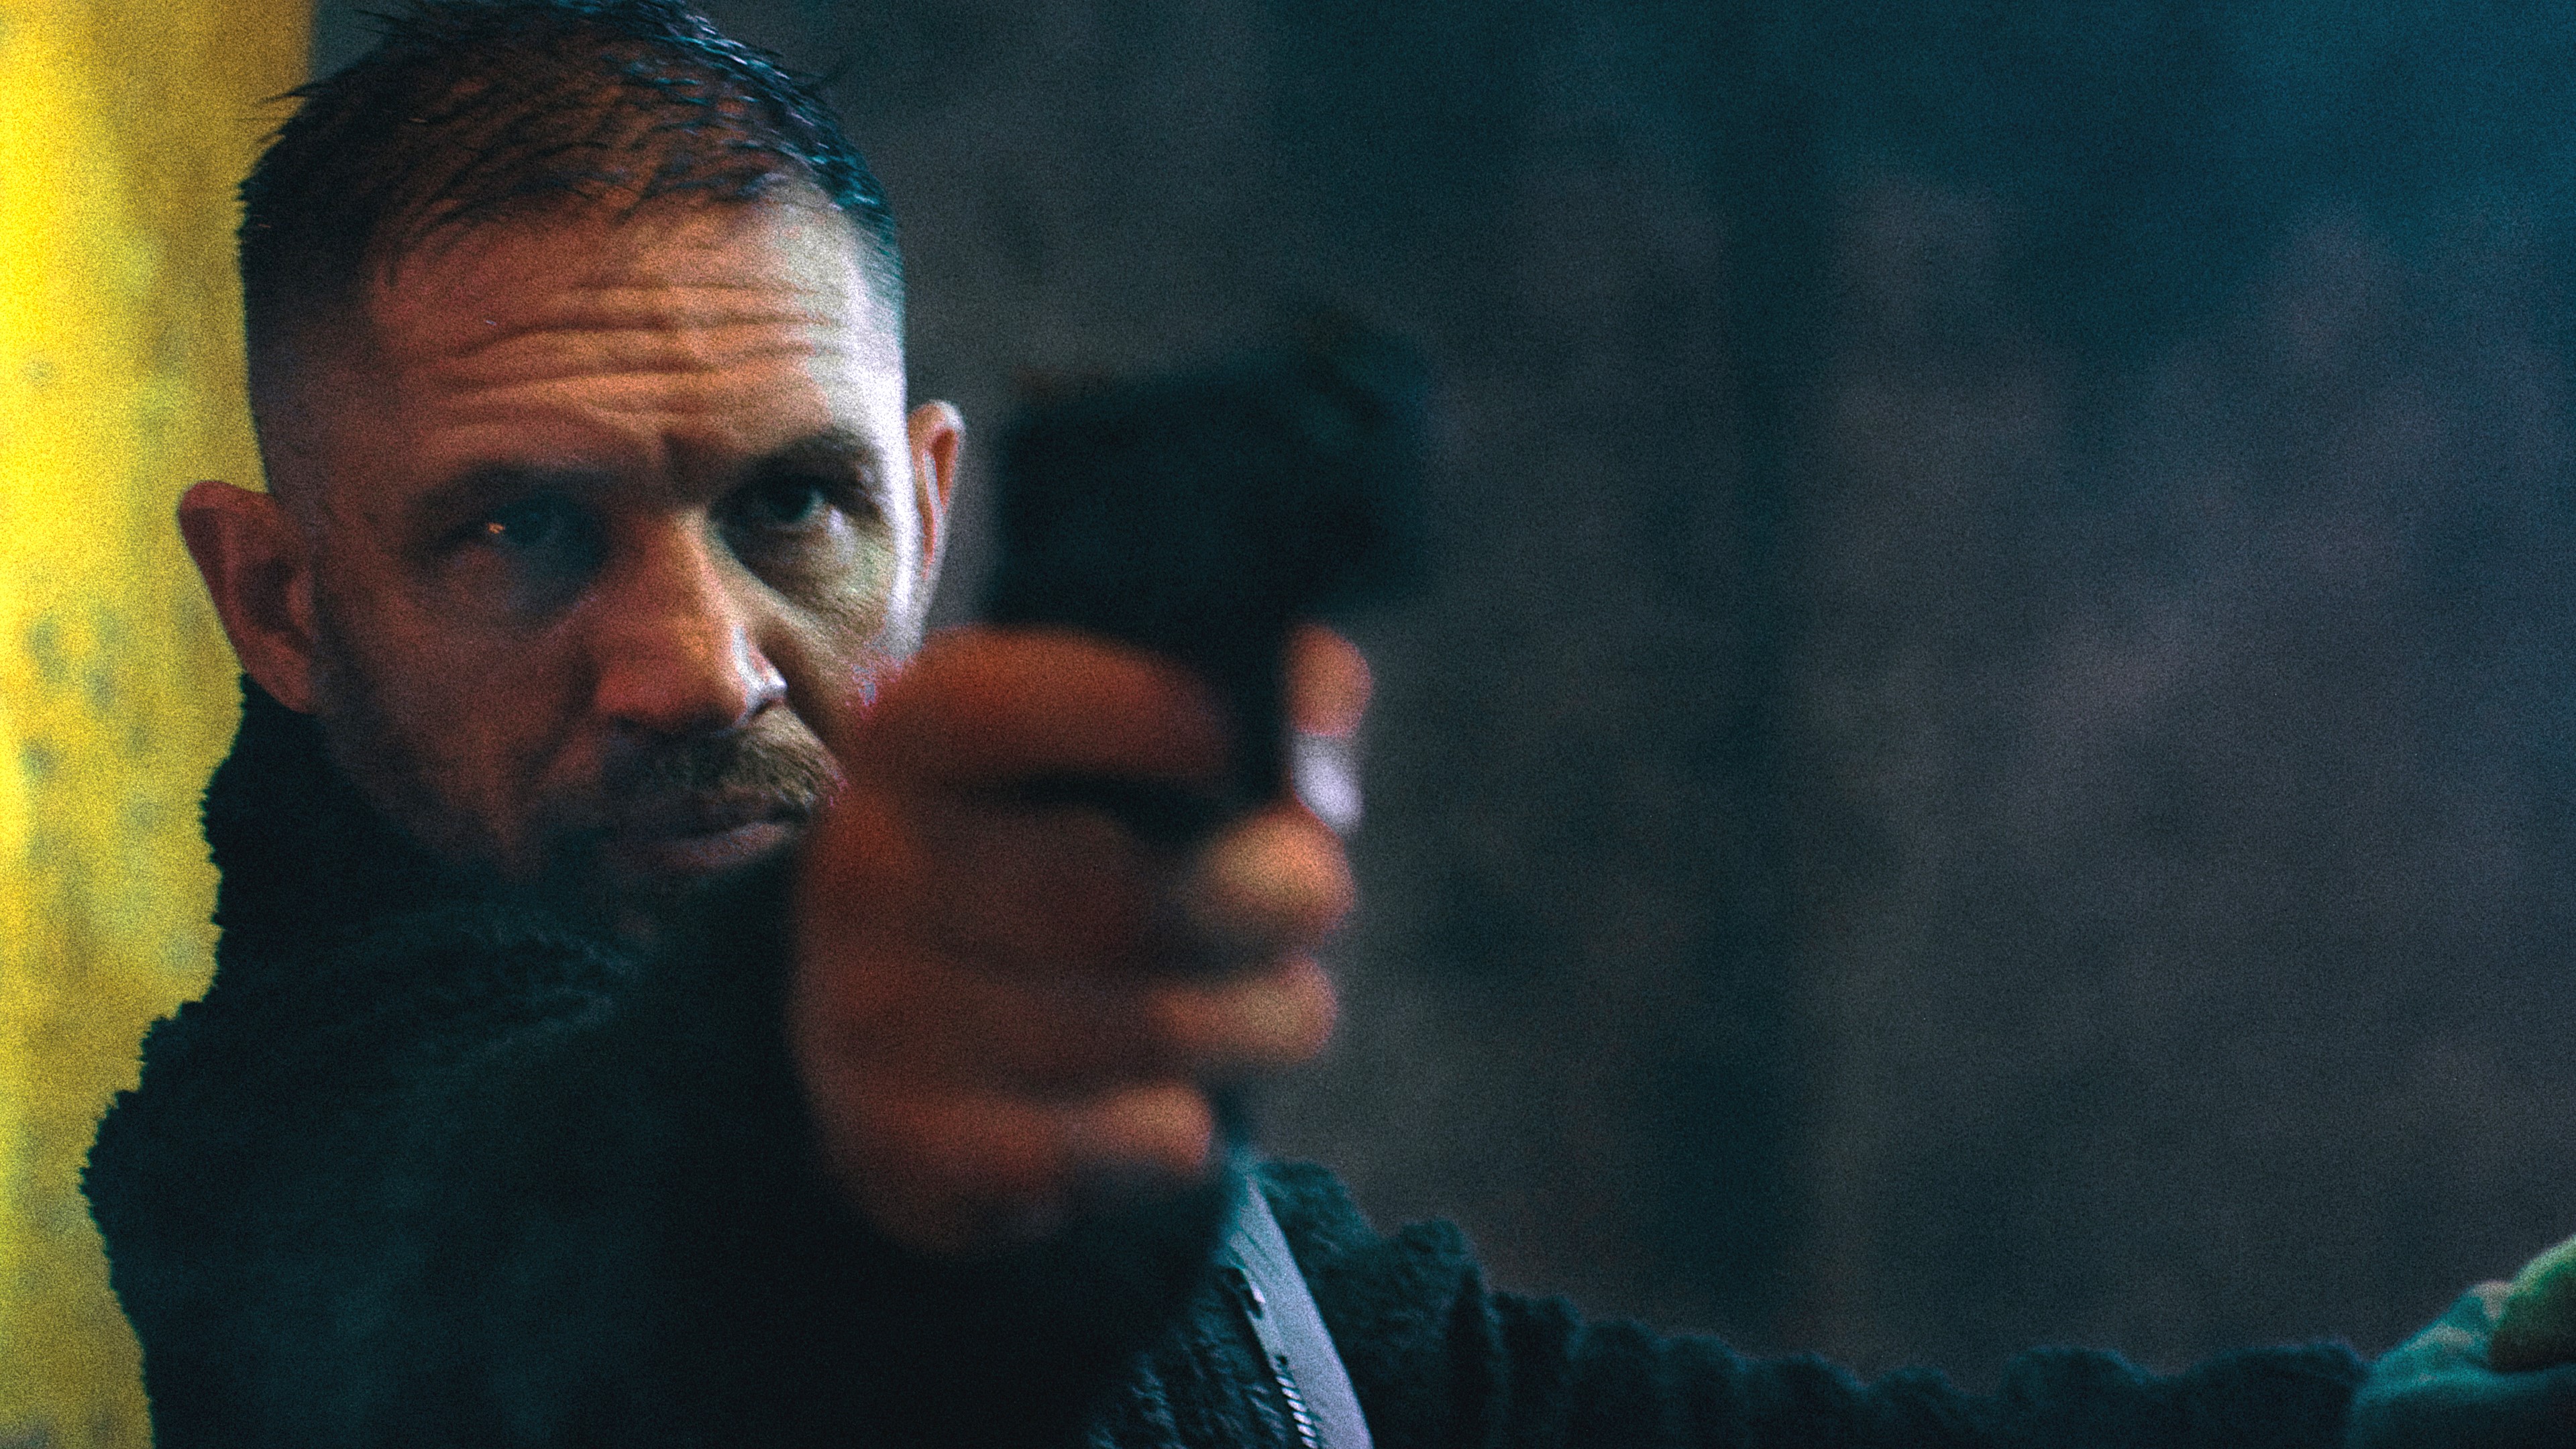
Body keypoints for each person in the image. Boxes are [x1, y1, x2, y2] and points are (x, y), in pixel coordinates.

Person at [75, 3, 2576, 1446]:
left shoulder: (1189, 1208)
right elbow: (558, 1276)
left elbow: (1578, 1422)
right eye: (520, 531)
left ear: (924, 512)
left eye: (791, 508)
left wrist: (2383, 1418)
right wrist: (839, 1128)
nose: (699, 664)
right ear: (281, 599)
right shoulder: (281, 1179)